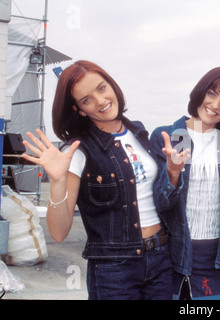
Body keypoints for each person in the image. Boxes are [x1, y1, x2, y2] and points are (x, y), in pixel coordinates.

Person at [21, 60, 173, 300]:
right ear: (80, 110)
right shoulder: (79, 151)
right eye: (86, 100)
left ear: (111, 85)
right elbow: (59, 232)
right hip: (114, 269)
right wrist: (58, 180)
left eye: (101, 88)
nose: (100, 101)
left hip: (162, 259)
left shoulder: (140, 133)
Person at [149, 66, 220, 300]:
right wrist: (172, 173)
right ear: (200, 92)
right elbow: (161, 203)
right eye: (212, 93)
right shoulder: (167, 135)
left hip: (214, 257)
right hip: (171, 254)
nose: (215, 105)